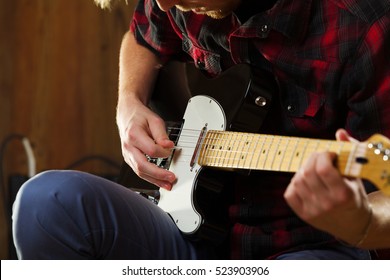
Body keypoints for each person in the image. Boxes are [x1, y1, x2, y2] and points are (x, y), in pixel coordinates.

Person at [12, 0, 390, 259]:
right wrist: (128, 103)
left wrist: (361, 222)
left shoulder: (364, 24)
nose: (163, 4)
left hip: (308, 248)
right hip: (186, 230)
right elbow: (143, 35)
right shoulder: (178, 2)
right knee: (45, 202)